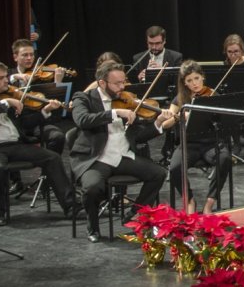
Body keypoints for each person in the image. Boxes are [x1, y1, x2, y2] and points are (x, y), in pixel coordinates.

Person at [70, 59, 171, 242]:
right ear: (102, 83)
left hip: (123, 156)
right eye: (117, 83)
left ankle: (134, 212)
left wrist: (158, 123)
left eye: (123, 82)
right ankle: (92, 227)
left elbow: (139, 137)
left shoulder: (126, 100)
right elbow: (82, 120)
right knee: (92, 188)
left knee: (158, 173)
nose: (122, 86)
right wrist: (115, 113)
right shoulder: (83, 98)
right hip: (97, 159)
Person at [0, 60, 78, 226]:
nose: (6, 81)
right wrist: (5, 103)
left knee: (52, 158)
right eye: (1, 78)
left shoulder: (9, 94)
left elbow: (26, 125)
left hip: (15, 144)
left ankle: (71, 207)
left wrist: (46, 111)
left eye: (5, 77)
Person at [161, 61, 232, 214]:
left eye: (196, 78)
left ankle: (209, 203)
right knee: (174, 168)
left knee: (224, 159)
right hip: (189, 145)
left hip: (211, 144)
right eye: (189, 81)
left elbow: (223, 121)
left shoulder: (212, 95)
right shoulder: (180, 99)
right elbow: (165, 125)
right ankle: (190, 200)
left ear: (202, 77)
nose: (194, 84)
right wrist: (179, 116)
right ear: (184, 83)